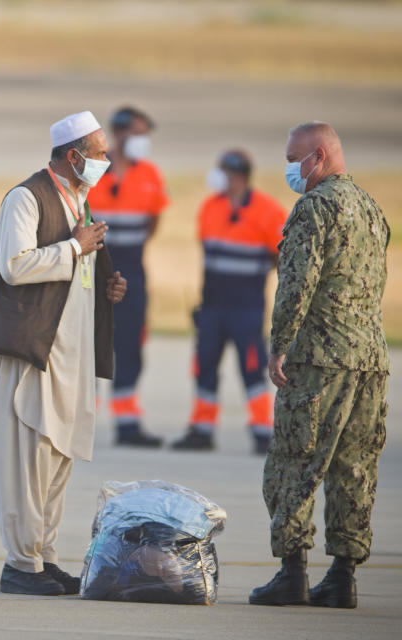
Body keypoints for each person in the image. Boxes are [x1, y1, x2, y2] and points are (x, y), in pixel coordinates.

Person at [0, 112, 127, 596]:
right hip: (32, 354)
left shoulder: (80, 203)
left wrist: (106, 285)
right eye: (101, 153)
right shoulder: (26, 198)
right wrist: (73, 248)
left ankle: (43, 557)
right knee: (26, 459)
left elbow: (74, 271)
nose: (107, 161)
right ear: (74, 155)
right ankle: (19, 564)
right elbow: (15, 266)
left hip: (70, 356)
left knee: (58, 457)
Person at [249, 122, 389, 609]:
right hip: (369, 359)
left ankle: (292, 572)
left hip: (320, 360)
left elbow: (296, 285)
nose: (290, 167)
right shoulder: (371, 209)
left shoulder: (315, 208)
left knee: (294, 461)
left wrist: (278, 346)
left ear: (320, 156)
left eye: (294, 158)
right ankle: (342, 577)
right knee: (354, 469)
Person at [172, 150, 288, 454]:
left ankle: (264, 433)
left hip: (246, 309)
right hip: (211, 306)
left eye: (222, 170)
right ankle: (202, 429)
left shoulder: (268, 211)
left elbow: (284, 255)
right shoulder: (210, 207)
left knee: (252, 368)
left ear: (238, 175)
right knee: (204, 366)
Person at [86, 106, 167, 447]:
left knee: (131, 345)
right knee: (89, 344)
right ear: (118, 134)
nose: (143, 141)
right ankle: (82, 419)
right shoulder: (93, 174)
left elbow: (153, 219)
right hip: (93, 271)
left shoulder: (149, 174)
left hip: (132, 271)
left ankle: (127, 422)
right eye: (139, 133)